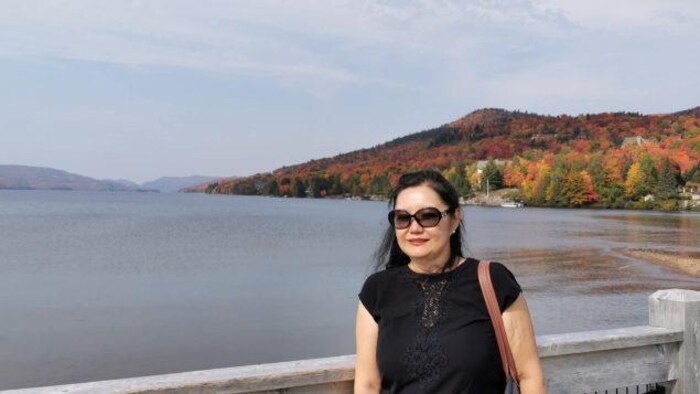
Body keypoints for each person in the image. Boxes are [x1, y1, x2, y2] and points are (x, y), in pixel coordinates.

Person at [355, 169, 547, 393]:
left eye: (428, 216)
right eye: (403, 218)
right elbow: (367, 384)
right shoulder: (377, 290)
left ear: (455, 218)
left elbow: (529, 376)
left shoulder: (494, 282)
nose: (414, 228)